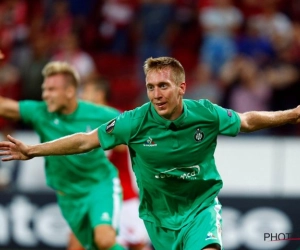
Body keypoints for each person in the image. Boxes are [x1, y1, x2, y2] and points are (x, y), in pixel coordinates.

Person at [1, 57, 300, 250]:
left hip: (200, 207)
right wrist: (33, 150)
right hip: (158, 216)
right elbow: (84, 141)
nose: (156, 94)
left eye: (163, 86)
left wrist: (292, 114)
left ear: (182, 87)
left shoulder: (206, 113)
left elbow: (247, 120)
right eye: (150, 87)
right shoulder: (133, 121)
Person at [0, 60, 125, 250]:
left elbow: (136, 130)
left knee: (104, 240)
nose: (45, 95)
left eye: (52, 90)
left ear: (69, 92)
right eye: (45, 89)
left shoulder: (99, 113)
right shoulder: (40, 112)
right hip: (68, 195)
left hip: (99, 186)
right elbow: (5, 107)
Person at [80, 77, 151, 250]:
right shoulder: (84, 120)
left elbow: (121, 147)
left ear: (99, 94)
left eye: (86, 91)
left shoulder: (114, 117)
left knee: (138, 245)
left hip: (123, 195)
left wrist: (96, 144)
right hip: (97, 196)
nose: (81, 96)